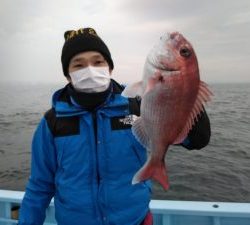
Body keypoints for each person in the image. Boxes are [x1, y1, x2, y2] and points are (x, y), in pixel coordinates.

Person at [18, 27, 211, 225]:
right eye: (78, 65)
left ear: (109, 68)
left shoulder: (135, 110)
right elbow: (39, 187)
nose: (90, 69)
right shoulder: (53, 123)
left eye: (98, 62)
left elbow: (197, 140)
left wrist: (185, 90)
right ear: (68, 75)